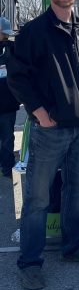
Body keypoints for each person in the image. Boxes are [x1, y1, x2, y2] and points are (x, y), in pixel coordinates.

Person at [8, 0, 79, 290]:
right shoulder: (34, 32)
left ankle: (73, 246)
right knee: (38, 198)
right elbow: (17, 76)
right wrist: (39, 112)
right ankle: (30, 262)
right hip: (50, 129)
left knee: (77, 189)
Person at [0, 17, 20, 178]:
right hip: (8, 102)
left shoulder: (12, 49)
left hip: (8, 103)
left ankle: (7, 167)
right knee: (6, 138)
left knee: (7, 138)